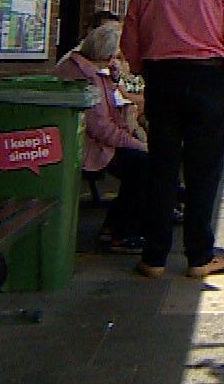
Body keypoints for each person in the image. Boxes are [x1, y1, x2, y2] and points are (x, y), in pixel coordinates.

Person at [121, 0, 224, 280]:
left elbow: (130, 33)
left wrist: (140, 68)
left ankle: (154, 256)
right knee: (204, 170)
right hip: (211, 79)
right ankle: (198, 255)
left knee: (162, 165)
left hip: (163, 78)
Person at [57, 13, 153, 252]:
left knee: (143, 162)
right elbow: (102, 129)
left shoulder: (91, 69)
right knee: (143, 165)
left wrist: (114, 79)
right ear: (108, 54)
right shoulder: (84, 76)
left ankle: (116, 226)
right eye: (117, 55)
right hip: (87, 146)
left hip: (92, 141)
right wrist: (135, 143)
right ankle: (121, 232)